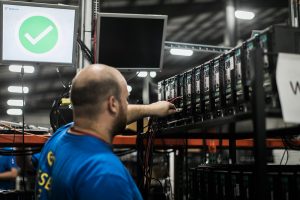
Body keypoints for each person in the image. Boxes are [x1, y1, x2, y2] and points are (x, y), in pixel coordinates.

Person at [36, 64, 176, 200]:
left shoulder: (58, 138)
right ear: (113, 104)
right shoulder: (104, 174)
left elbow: (114, 112)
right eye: (125, 100)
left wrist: (151, 109)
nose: (127, 106)